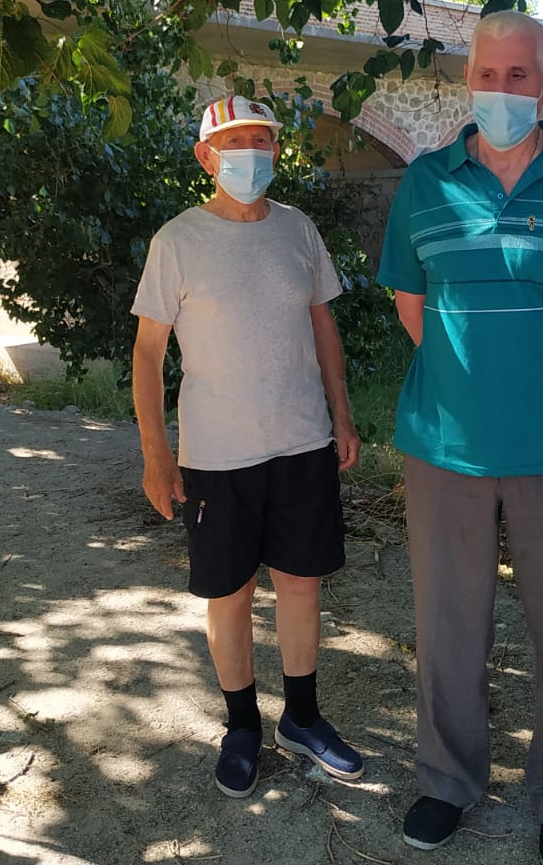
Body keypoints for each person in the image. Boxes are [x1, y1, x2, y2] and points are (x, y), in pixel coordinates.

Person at [376, 11, 543, 865]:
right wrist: (473, 382)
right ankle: (447, 783)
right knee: (449, 624)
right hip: (446, 448)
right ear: (469, 78)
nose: (501, 91)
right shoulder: (424, 182)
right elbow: (410, 303)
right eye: (487, 76)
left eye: (518, 77)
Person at [130, 94, 365, 800]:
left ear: (276, 153)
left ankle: (302, 717)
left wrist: (343, 415)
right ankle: (241, 728)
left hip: (302, 442)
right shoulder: (178, 241)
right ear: (206, 157)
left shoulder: (298, 231)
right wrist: (155, 454)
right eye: (235, 143)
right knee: (228, 593)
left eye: (262, 141)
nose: (250, 154)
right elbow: (147, 355)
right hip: (216, 456)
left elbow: (323, 327)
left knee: (301, 583)